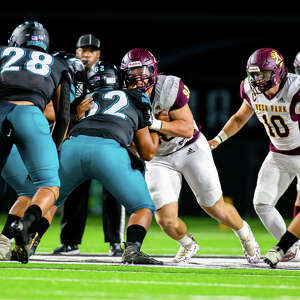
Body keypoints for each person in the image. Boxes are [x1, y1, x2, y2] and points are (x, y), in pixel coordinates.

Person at [120, 48, 260, 264]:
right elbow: (139, 148)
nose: (139, 79)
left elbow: (186, 129)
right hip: (159, 158)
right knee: (165, 220)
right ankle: (188, 243)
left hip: (190, 148)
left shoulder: (168, 87)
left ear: (153, 71)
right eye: (133, 73)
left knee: (214, 206)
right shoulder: (122, 98)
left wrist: (154, 124)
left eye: (143, 72)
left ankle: (245, 234)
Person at [41, 61, 162, 265]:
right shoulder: (137, 97)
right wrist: (155, 128)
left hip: (73, 147)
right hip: (110, 151)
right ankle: (131, 249)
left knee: (48, 200)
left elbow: (60, 119)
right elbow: (148, 152)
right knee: (142, 206)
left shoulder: (83, 98)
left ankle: (27, 240)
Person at [208, 47, 300, 262]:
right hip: (278, 153)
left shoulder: (295, 89)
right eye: (254, 74)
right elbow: (240, 118)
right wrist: (218, 139)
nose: (258, 79)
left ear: (277, 72)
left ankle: (284, 245)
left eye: (263, 74)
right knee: (261, 203)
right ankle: (291, 248)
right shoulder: (250, 88)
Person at [0, 52, 85, 261]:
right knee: (47, 187)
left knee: (30, 191)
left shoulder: (18, 67)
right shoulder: (54, 75)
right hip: (20, 134)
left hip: (13, 131)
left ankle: (4, 241)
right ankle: (24, 231)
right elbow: (49, 112)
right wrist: (74, 113)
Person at [52, 34, 125, 256]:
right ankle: (69, 242)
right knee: (74, 189)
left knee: (113, 189)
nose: (86, 54)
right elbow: (60, 110)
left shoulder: (112, 74)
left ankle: (115, 242)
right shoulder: (68, 74)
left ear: (99, 53)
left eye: (91, 50)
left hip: (107, 139)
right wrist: (75, 113)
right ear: (76, 51)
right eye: (83, 49)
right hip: (78, 137)